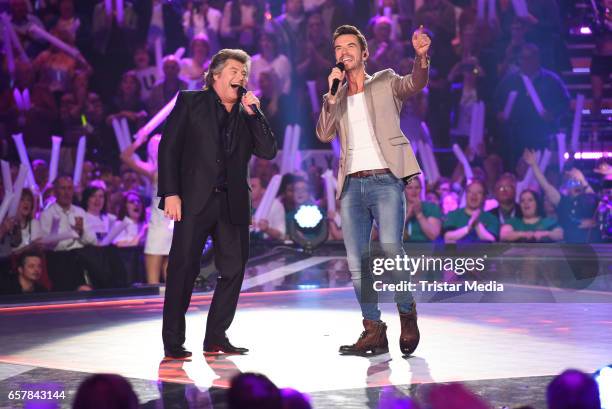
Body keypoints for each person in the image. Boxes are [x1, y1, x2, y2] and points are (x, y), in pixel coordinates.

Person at [316, 24, 430, 356]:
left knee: (392, 247)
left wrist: (421, 59)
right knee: (357, 261)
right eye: (338, 48)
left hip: (385, 179)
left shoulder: (384, 81)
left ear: (364, 53)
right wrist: (331, 95)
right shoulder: (334, 96)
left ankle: (406, 312)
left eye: (350, 46)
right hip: (351, 185)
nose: (343, 52)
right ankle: (373, 330)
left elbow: (414, 83)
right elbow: (323, 133)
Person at [158, 49, 277, 358]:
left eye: (244, 73)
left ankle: (216, 336)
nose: (241, 78)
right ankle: (173, 341)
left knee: (234, 268)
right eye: (235, 71)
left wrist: (256, 115)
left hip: (232, 203)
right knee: (183, 269)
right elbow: (168, 148)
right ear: (215, 75)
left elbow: (267, 151)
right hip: (194, 200)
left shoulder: (247, 113)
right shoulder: (190, 102)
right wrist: (170, 193)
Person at [121, 134, 173, 284]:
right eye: (153, 145)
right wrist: (139, 140)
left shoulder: (178, 166)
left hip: (174, 224)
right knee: (153, 281)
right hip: (158, 225)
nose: (157, 147)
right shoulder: (152, 169)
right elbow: (125, 156)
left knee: (172, 280)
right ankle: (155, 306)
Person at [443, 179, 499, 243]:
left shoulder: (491, 218)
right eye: (470, 192)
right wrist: (467, 229)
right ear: (466, 195)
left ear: (484, 197)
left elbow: (491, 240)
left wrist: (476, 223)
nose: (474, 195)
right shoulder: (453, 215)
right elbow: (447, 237)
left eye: (479, 192)